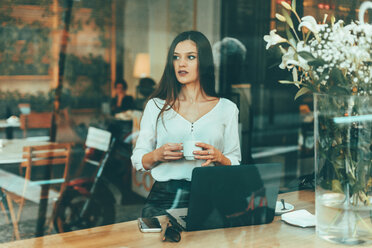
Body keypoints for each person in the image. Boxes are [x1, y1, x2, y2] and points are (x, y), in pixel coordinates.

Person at [131, 30, 241, 217]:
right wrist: (158, 154)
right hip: (164, 198)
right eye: (176, 57)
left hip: (210, 196)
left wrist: (218, 157)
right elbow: (138, 159)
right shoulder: (156, 106)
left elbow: (235, 163)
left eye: (190, 57)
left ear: (204, 62)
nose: (181, 63)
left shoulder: (227, 109)